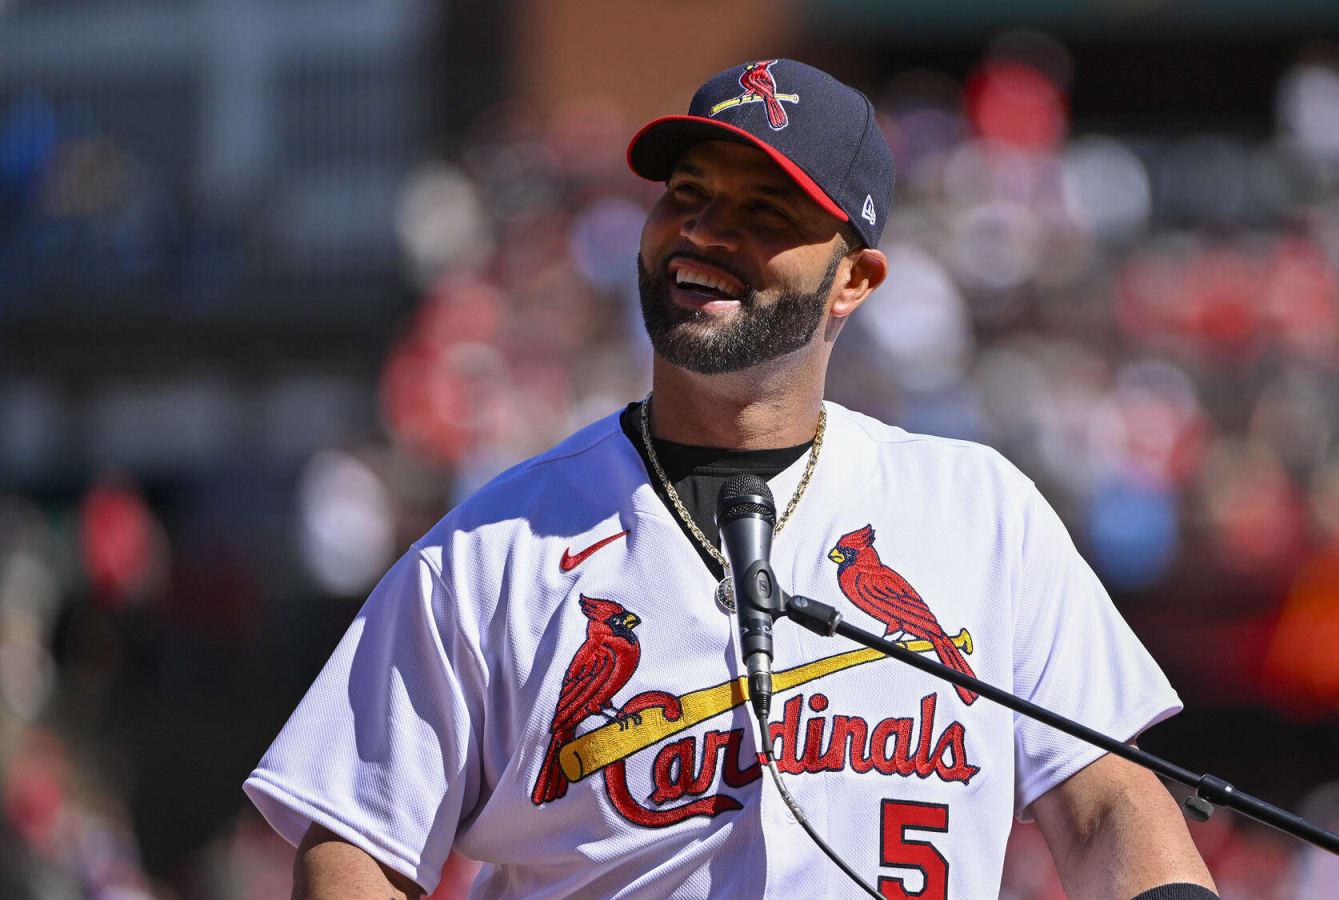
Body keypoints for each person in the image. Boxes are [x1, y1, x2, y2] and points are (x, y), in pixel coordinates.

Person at [245, 59, 1217, 899]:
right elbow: (357, 842)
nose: (706, 232)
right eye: (686, 195)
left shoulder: (979, 512)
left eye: (764, 212)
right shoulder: (490, 551)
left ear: (854, 280)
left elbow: (1105, 809)